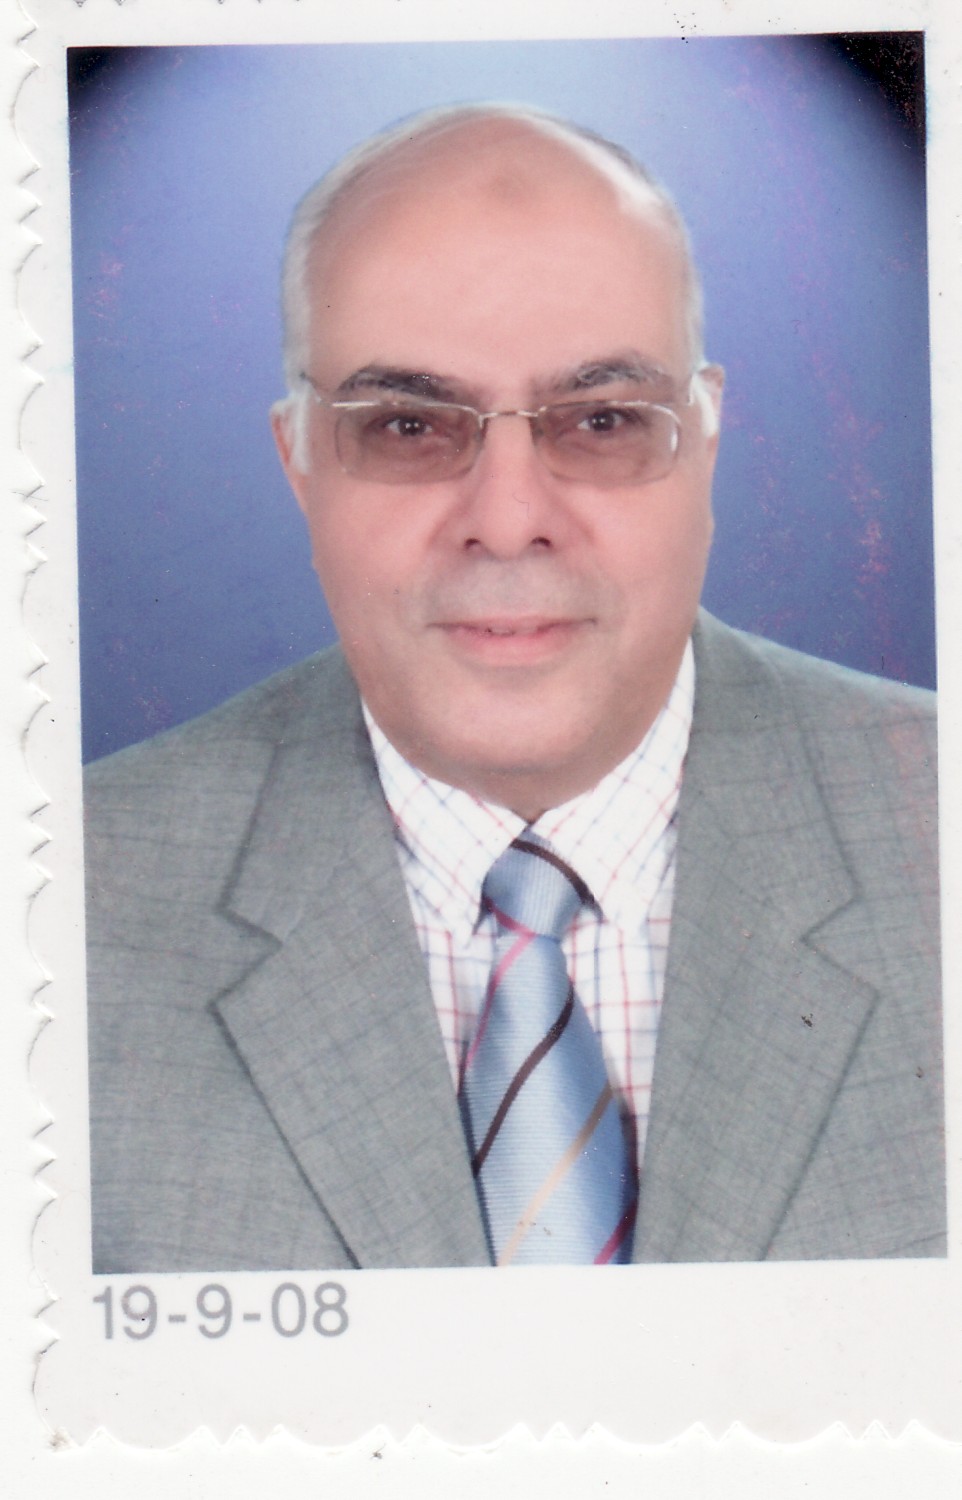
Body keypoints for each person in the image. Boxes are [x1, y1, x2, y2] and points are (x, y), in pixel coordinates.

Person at [85, 103, 944, 1273]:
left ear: (705, 440)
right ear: (296, 461)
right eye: (405, 425)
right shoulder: (59, 901)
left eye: (601, 420)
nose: (505, 520)